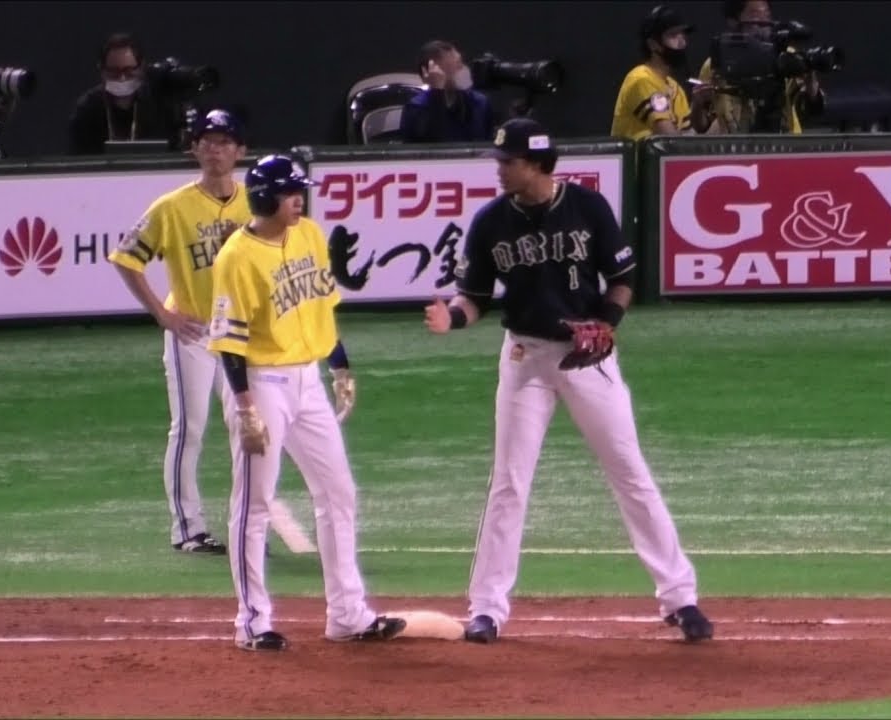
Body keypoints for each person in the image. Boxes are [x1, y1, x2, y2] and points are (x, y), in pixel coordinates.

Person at [423, 118, 714, 645]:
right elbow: (475, 297)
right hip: (525, 358)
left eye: (509, 161)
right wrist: (454, 318)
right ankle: (487, 608)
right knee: (509, 482)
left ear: (537, 164)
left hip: (587, 360)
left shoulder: (587, 207)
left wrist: (607, 323)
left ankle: (680, 596)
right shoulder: (491, 221)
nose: (500, 169)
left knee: (629, 471)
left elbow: (622, 278)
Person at [208, 154, 406, 652]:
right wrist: (245, 407)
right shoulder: (237, 257)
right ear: (265, 198)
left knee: (338, 492)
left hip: (307, 380)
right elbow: (229, 343)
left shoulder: (311, 235)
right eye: (290, 193)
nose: (299, 200)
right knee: (253, 503)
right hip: (261, 382)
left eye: (300, 192)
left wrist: (340, 366)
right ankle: (252, 621)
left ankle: (347, 615)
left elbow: (320, 309)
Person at [108, 108, 251, 555]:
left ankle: (249, 525)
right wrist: (161, 314)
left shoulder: (256, 203)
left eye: (224, 142)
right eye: (207, 141)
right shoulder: (171, 207)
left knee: (248, 428)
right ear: (194, 149)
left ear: (240, 151)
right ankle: (188, 528)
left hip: (242, 333)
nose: (215, 150)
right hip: (192, 330)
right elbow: (126, 258)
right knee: (190, 427)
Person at [689, 0, 825, 134]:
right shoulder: (714, 65)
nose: (763, 23)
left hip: (784, 143)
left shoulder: (786, 57)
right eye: (755, 16)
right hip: (736, 146)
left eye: (767, 16)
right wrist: (698, 104)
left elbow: (814, 109)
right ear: (733, 21)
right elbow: (701, 127)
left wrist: (811, 81)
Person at [68, 32, 179, 155]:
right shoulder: (87, 108)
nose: (122, 78)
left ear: (141, 68)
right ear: (102, 70)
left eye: (129, 70)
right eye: (113, 71)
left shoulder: (160, 104)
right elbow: (77, 157)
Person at [610, 5, 695, 140]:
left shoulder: (676, 89)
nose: (682, 42)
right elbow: (669, 140)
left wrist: (719, 117)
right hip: (637, 155)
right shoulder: (641, 79)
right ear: (653, 44)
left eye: (683, 35)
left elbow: (691, 143)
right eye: (673, 35)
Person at [399, 40, 496, 143]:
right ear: (431, 74)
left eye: (460, 62)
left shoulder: (479, 103)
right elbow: (433, 141)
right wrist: (437, 92)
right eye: (455, 64)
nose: (462, 69)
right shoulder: (417, 107)